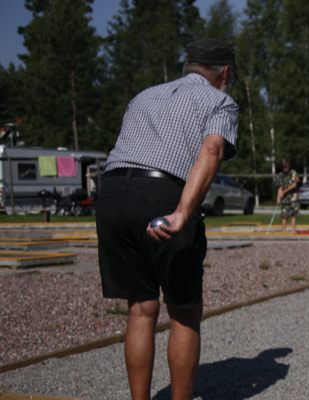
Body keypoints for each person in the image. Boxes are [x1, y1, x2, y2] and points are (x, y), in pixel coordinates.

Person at [96, 39, 238, 400]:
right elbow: (212, 150)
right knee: (184, 310)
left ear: (189, 66)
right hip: (161, 192)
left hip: (111, 193)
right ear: (225, 73)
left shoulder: (144, 96)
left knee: (141, 309)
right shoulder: (219, 100)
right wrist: (182, 212)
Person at [275, 158, 300, 233]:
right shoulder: (280, 175)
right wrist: (278, 197)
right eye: (284, 167)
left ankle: (293, 231)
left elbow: (294, 185)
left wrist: (284, 192)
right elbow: (280, 188)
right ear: (282, 167)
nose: (286, 169)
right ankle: (283, 231)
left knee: (294, 214)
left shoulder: (293, 173)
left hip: (293, 197)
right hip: (285, 199)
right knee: (284, 215)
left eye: (287, 167)